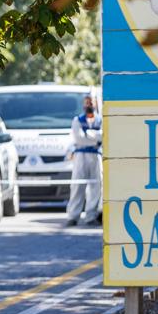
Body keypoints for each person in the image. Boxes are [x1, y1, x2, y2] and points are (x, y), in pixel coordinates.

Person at [65, 94, 102, 227]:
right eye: (86, 103)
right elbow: (79, 138)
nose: (89, 105)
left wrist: (90, 135)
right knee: (77, 186)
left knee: (96, 186)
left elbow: (103, 135)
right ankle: (73, 216)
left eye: (91, 103)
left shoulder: (100, 120)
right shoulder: (77, 120)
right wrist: (95, 137)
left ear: (95, 104)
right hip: (81, 156)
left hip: (96, 156)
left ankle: (91, 215)